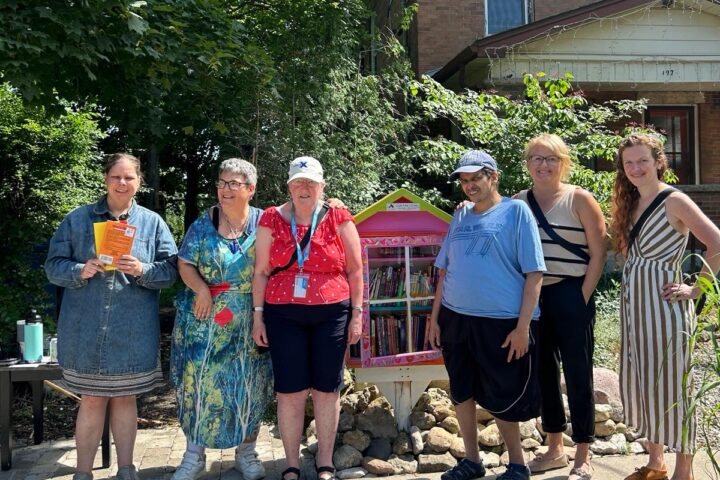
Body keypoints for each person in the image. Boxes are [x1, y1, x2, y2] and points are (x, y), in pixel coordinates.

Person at [45, 153, 178, 480]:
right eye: (116, 176)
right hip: (86, 328)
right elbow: (53, 266)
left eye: (129, 177)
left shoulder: (152, 223)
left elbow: (172, 271)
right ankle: (83, 472)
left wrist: (143, 269)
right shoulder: (77, 220)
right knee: (90, 399)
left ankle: (127, 469)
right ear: (106, 178)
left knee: (125, 399)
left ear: (139, 182)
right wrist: (80, 269)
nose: (122, 183)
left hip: (131, 329)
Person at [429, 150, 546, 480]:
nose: (469, 186)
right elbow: (444, 270)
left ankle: (518, 464)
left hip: (501, 321)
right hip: (456, 318)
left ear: (493, 177)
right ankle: (472, 460)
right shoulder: (461, 215)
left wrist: (523, 327)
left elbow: (535, 273)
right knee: (461, 391)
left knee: (501, 395)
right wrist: (435, 318)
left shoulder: (516, 212)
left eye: (476, 178)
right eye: (464, 181)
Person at [611, 133, 720, 480]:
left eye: (642, 160)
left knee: (675, 385)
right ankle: (655, 463)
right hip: (634, 306)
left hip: (665, 309)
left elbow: (716, 242)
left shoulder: (674, 201)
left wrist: (695, 288)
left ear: (659, 161)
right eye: (629, 162)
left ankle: (683, 471)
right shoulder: (630, 201)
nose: (635, 168)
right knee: (642, 379)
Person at [251, 156, 363, 480]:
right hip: (283, 315)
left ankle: (325, 462)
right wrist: (258, 317)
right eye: (298, 182)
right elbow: (260, 272)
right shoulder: (271, 219)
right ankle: (291, 465)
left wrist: (357, 315)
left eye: (311, 182)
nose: (304, 188)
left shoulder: (339, 217)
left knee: (327, 389)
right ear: (288, 186)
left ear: (322, 186)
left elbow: (356, 270)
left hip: (332, 313)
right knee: (290, 391)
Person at [169, 158, 274, 480]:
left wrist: (332, 202)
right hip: (203, 320)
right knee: (197, 385)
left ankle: (247, 453)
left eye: (233, 184)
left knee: (248, 385)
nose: (224, 189)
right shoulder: (204, 222)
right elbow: (185, 264)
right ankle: (193, 456)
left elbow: (304, 204)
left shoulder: (266, 222)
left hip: (250, 317)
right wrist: (201, 289)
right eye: (221, 182)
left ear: (250, 190)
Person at [515, 134, 606, 480]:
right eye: (536, 158)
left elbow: (599, 252)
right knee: (544, 373)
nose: (543, 165)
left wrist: (582, 295)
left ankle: (583, 453)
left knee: (578, 373)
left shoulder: (579, 198)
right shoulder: (519, 202)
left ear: (563, 162)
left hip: (572, 293)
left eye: (551, 158)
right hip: (535, 298)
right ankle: (555, 448)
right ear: (528, 164)